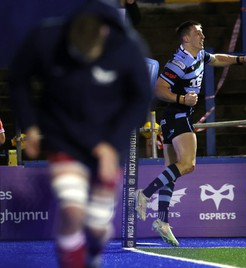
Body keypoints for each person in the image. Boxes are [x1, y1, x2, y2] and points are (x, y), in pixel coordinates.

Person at [8, 0, 153, 267]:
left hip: (109, 139)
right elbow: (18, 80)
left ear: (104, 35)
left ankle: (94, 250)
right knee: (72, 212)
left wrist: (112, 144)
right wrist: (29, 125)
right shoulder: (45, 38)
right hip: (65, 138)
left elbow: (140, 99)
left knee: (97, 227)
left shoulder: (128, 48)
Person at [134, 20, 246, 247]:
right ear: (186, 38)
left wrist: (241, 59)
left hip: (171, 117)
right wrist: (182, 99)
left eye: (203, 31)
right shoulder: (179, 62)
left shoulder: (199, 56)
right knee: (188, 164)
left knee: (172, 171)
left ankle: (162, 221)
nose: (203, 36)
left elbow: (218, 58)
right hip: (176, 114)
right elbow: (159, 88)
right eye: (198, 33)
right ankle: (145, 194)